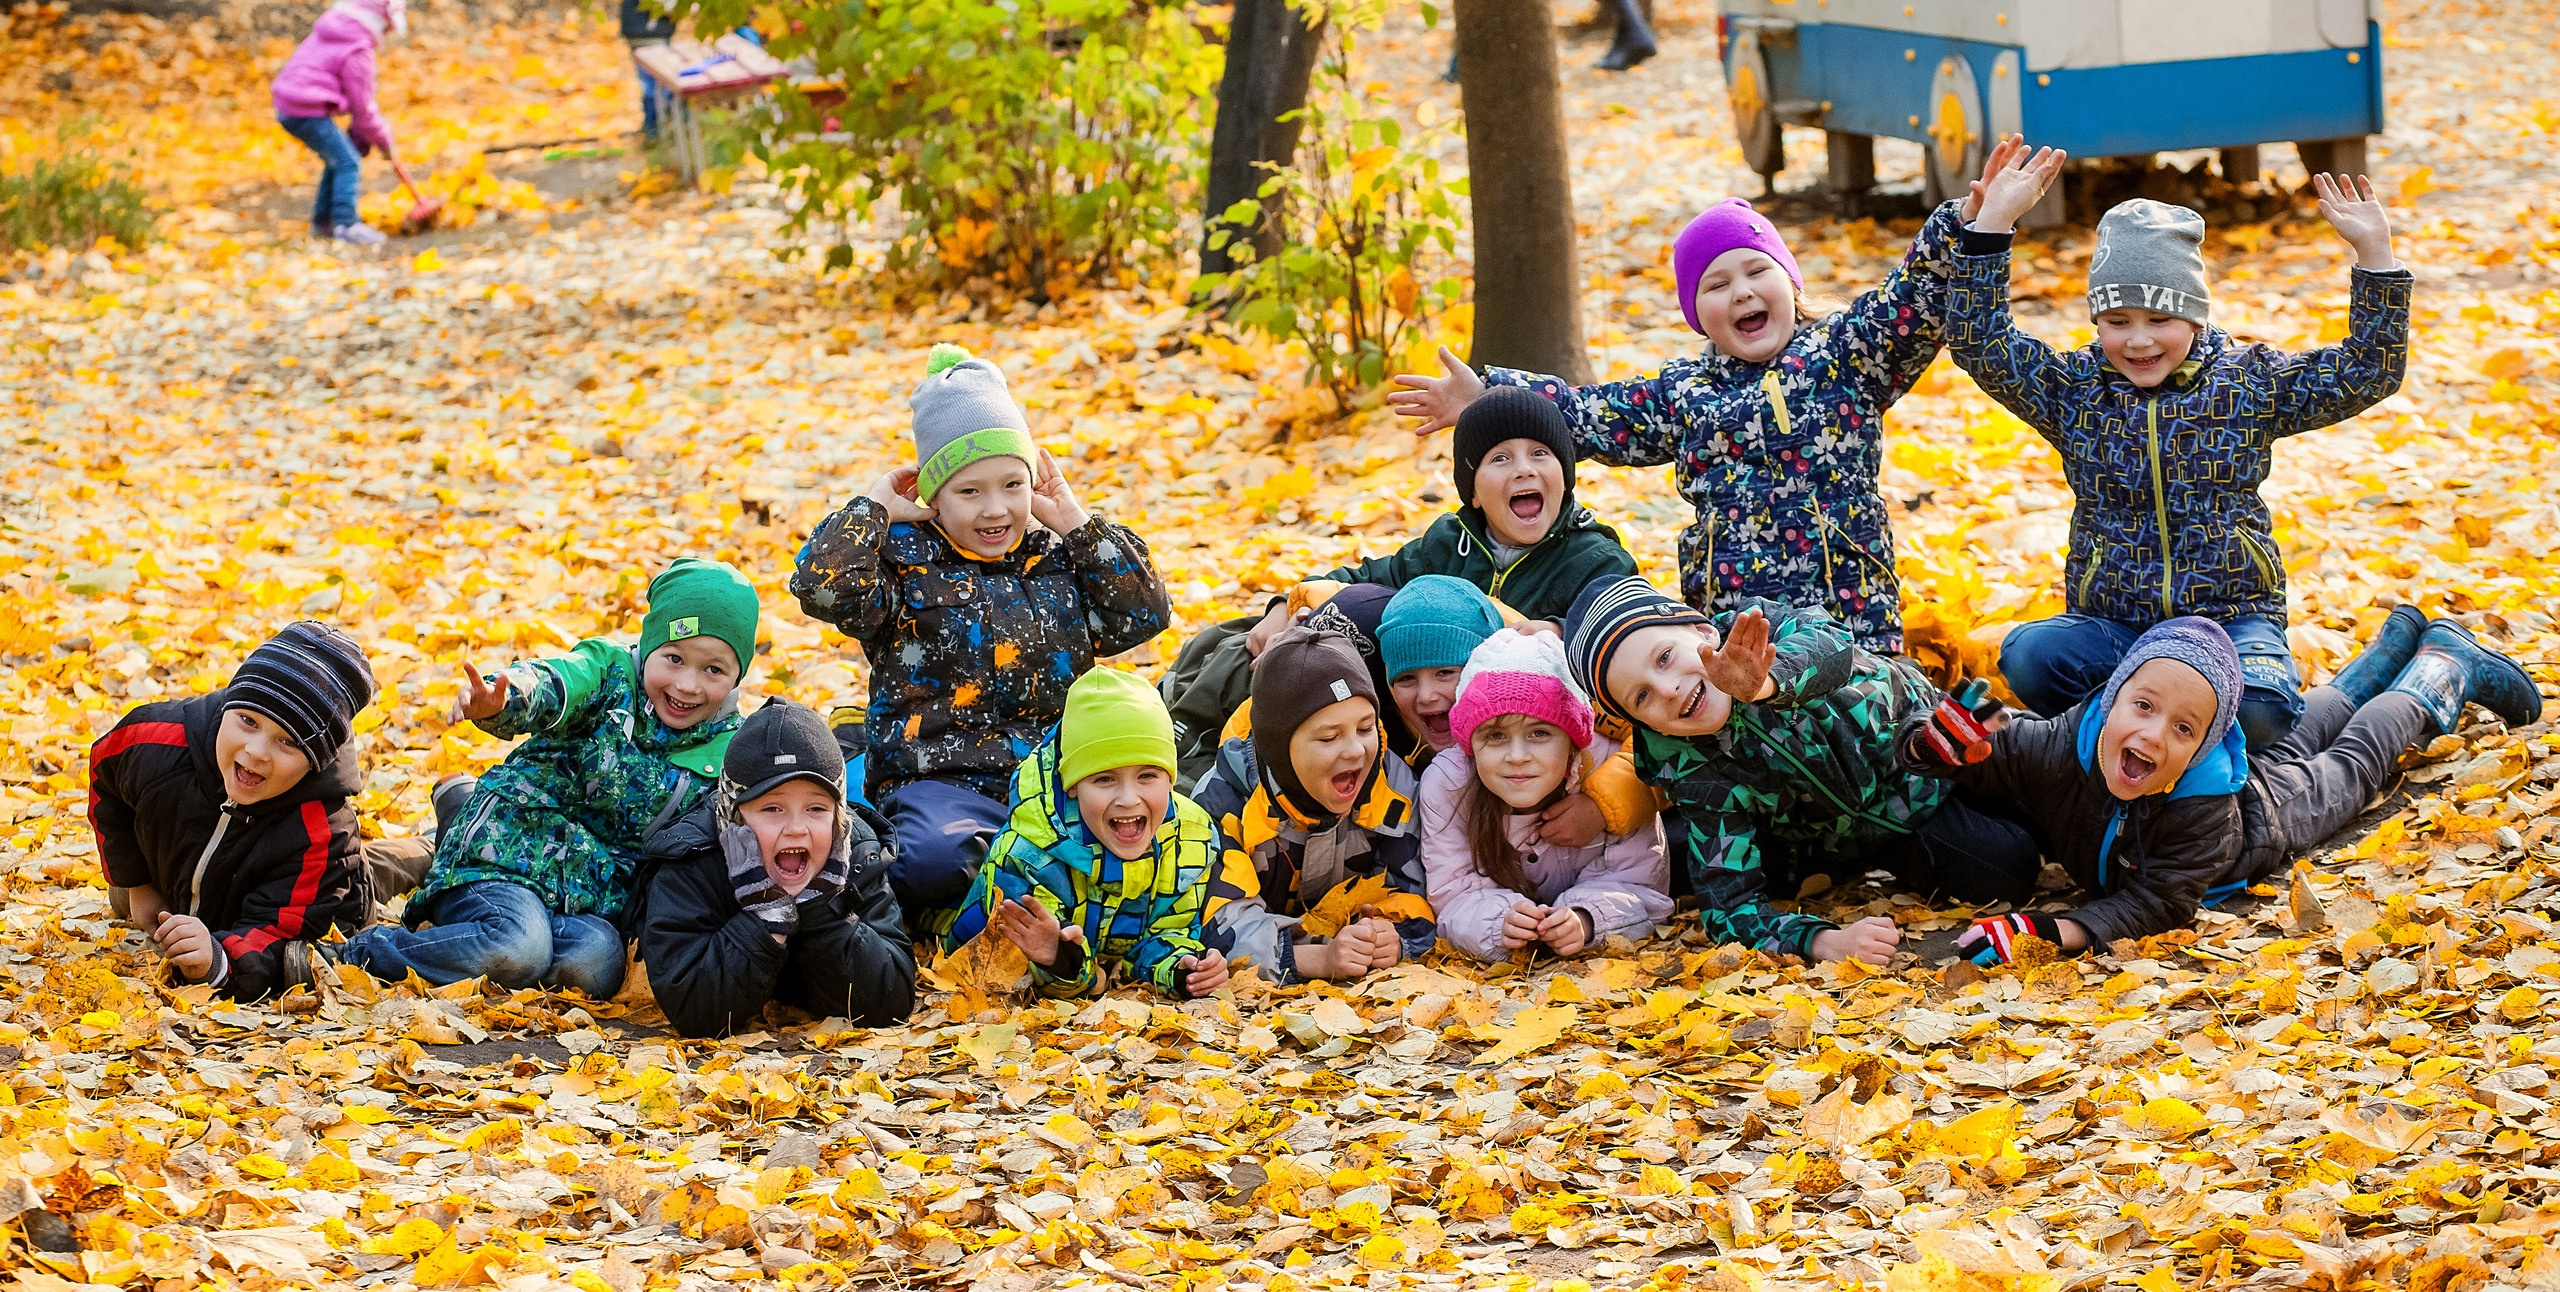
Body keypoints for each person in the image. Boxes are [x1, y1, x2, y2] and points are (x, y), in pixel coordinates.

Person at [1391, 139, 2049, 654]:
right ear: (1696, 315)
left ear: (1789, 284)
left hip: (1850, 621)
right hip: (1734, 628)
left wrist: (1973, 223)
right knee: (1750, 744)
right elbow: (1590, 414)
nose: (1740, 292)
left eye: (1757, 271)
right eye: (1716, 284)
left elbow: (1912, 296)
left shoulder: (1846, 358)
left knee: (1863, 744)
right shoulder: (1685, 394)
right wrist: (1490, 395)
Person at [1950, 158, 2413, 750]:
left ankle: (2183, 732)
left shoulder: (2248, 385)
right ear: (2096, 322)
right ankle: (2132, 735)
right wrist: (1991, 226)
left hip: (2229, 620)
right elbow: (1979, 342)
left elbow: (2366, 371)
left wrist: (2374, 254)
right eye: (2117, 321)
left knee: (2264, 712)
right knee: (2029, 657)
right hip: (2115, 624)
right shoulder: (2073, 393)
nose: (2138, 340)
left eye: (2160, 319)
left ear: (2195, 315)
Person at [790, 345, 1172, 930]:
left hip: (1059, 777)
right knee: (933, 864)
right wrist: (871, 510)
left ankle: (1032, 887)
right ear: (932, 496)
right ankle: (973, 891)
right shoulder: (903, 563)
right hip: (943, 781)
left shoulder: (1058, 557)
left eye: (1012, 485)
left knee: (1160, 841)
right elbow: (821, 588)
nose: (996, 510)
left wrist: (1073, 520)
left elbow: (1143, 614)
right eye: (970, 492)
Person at [1916, 611, 2541, 964]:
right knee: (2305, 729)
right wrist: (1937, 745)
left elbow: (2158, 901)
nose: (2155, 735)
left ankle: (2442, 668)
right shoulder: (2058, 743)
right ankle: (2387, 653)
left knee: (2352, 763)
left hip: (2264, 818)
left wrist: (2049, 932)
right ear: (2110, 701)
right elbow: (1985, 760)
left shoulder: (2201, 803)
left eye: (2184, 727)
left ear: (2205, 745)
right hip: (2247, 778)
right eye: (2142, 706)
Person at [1560, 576, 2042, 966]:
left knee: (2022, 754)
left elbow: (1833, 648)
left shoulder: (1761, 629)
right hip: (1869, 832)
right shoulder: (1687, 767)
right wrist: (1822, 942)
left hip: (1923, 751)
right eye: (1641, 696)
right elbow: (1729, 910)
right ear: (1637, 720)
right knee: (2008, 866)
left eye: (1665, 657)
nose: (1666, 689)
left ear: (1704, 632)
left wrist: (1767, 683)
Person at [337, 557, 760, 997]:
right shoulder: (610, 674)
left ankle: (473, 920)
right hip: (507, 851)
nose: (688, 685)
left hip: (588, 896)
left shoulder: (730, 747)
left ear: (736, 677)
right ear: (649, 645)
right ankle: (361, 954)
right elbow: (557, 681)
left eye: (713, 670)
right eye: (674, 658)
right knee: (518, 948)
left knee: (596, 967)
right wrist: (506, 699)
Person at [89, 622, 378, 998]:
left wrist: (218, 958)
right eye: (247, 721)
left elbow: (283, 936)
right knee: (119, 892)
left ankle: (431, 846)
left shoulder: (325, 835)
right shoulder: (156, 741)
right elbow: (105, 775)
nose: (256, 750)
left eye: (287, 741)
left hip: (321, 889)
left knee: (385, 868)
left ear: (315, 761)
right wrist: (137, 882)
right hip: (193, 871)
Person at [935, 669, 1229, 1000]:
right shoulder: (1027, 853)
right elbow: (1000, 973)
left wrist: (1182, 970)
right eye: (1104, 779)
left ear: (1171, 779)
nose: (1129, 798)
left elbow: (1168, 932)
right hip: (984, 950)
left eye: (1148, 775)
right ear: (1072, 786)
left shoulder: (1190, 840)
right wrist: (1063, 960)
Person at [636, 700, 913, 1037]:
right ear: (733, 817)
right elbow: (694, 1012)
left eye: (815, 808)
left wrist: (823, 911)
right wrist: (764, 918)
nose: (797, 828)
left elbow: (892, 1002)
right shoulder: (693, 860)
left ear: (838, 817)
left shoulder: (854, 853)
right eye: (772, 808)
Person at [1195, 626, 1433, 982]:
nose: (1355, 750)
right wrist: (1315, 958)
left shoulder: (1391, 783)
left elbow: (1416, 888)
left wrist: (1394, 935)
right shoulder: (1223, 799)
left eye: (1365, 728)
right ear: (1279, 749)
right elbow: (1217, 923)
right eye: (1328, 737)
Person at [1419, 631, 1671, 963]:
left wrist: (1587, 918)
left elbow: (1643, 888)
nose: (1517, 756)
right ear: (1470, 744)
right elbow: (1453, 893)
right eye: (1496, 735)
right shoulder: (1448, 783)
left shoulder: (1614, 774)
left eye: (1539, 733)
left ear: (1571, 742)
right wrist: (1498, 921)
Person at [271, 0, 409, 245]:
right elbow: (364, 108)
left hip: (290, 104)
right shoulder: (357, 50)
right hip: (304, 109)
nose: (386, 37)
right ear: (379, 22)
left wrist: (362, 134)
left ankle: (323, 223)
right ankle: (347, 225)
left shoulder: (335, 31)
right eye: (388, 30)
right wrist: (386, 144)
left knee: (337, 159)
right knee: (348, 161)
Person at [618, 0, 677, 146]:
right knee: (656, 87)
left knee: (652, 85)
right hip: (651, 33)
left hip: (641, 32)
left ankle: (656, 128)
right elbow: (664, 6)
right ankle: (656, 130)